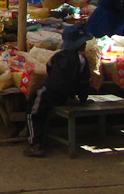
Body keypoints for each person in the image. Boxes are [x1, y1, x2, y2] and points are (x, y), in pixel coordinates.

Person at [24, 24, 93, 157]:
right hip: (67, 95)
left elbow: (49, 69)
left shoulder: (57, 56)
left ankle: (35, 143)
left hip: (49, 93)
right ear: (79, 44)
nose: (85, 44)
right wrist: (82, 99)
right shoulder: (82, 60)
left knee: (33, 113)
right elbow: (84, 82)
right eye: (83, 42)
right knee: (39, 112)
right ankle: (37, 137)